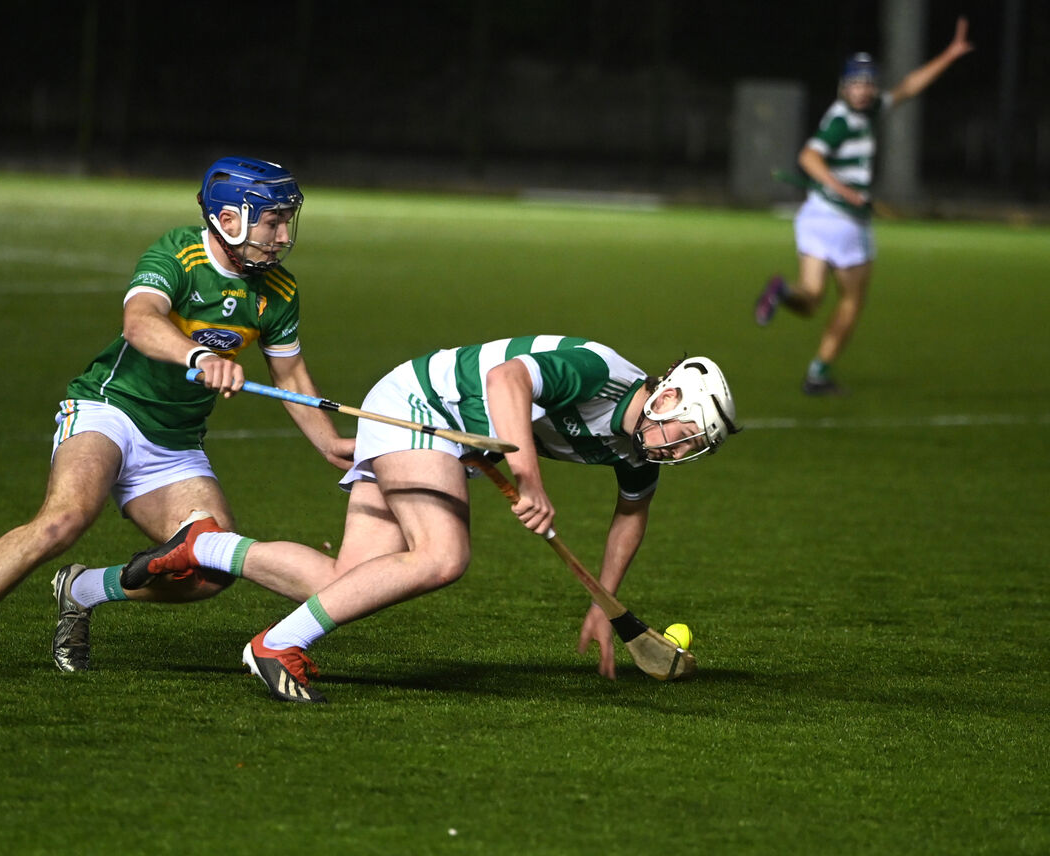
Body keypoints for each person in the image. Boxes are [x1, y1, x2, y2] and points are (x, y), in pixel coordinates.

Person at [0, 156, 354, 686]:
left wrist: (330, 443)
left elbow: (290, 376)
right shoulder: (180, 251)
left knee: (212, 572)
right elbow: (139, 322)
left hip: (174, 443)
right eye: (272, 221)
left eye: (287, 220)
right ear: (230, 218)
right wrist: (199, 356)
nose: (283, 234)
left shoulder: (279, 292)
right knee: (62, 521)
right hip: (109, 410)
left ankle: (82, 590)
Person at [123, 336, 739, 703]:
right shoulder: (600, 371)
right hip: (420, 406)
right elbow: (507, 379)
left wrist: (606, 602)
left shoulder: (637, 452)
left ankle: (204, 548)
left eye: (694, 447)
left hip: (450, 434)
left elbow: (632, 514)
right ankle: (277, 644)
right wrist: (528, 476)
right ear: (668, 397)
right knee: (443, 557)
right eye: (686, 432)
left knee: (340, 582)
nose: (679, 449)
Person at [755, 16, 974, 395]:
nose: (863, 89)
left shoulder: (869, 110)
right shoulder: (842, 120)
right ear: (844, 87)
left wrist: (949, 55)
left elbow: (907, 88)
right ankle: (818, 373)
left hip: (816, 216)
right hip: (843, 221)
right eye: (856, 82)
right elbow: (808, 157)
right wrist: (846, 190)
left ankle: (781, 292)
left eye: (868, 82)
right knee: (852, 301)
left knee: (809, 299)